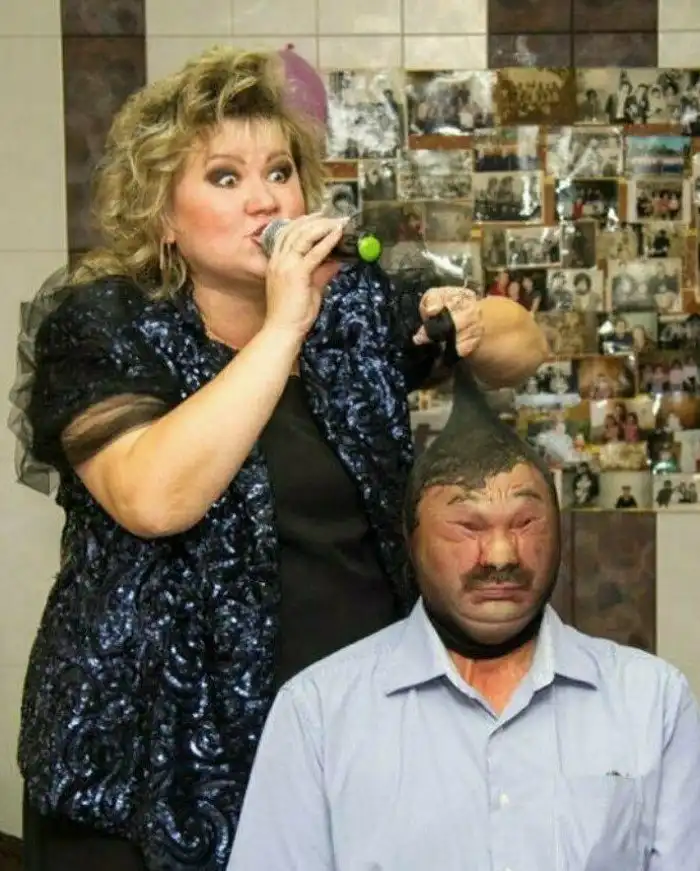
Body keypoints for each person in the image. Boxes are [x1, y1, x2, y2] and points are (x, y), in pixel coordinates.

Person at [8, 47, 547, 871]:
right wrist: (284, 323)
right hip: (145, 772)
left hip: (338, 747)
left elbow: (524, 344)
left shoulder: (349, 306)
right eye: (225, 177)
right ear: (163, 215)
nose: (264, 199)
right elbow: (153, 497)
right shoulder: (104, 325)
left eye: (280, 172)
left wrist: (471, 317)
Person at [228, 360, 700, 871]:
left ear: (560, 532)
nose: (500, 555)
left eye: (525, 523)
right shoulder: (319, 713)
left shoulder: (651, 701)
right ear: (412, 542)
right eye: (468, 527)